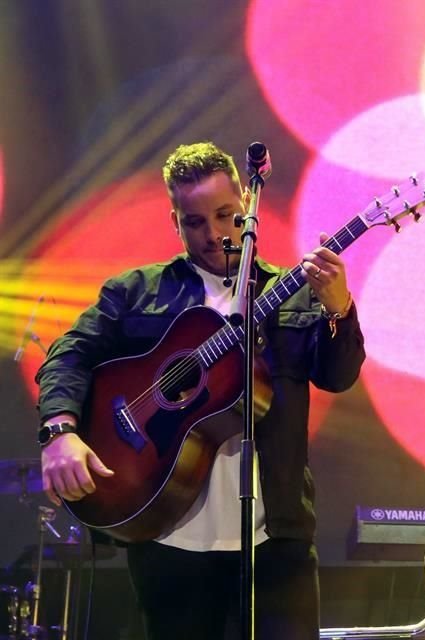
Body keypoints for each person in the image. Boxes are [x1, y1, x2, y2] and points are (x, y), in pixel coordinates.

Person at [35, 141, 365, 639]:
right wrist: (60, 430)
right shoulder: (136, 292)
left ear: (245, 208)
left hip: (275, 542)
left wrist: (339, 308)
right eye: (194, 222)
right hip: (167, 536)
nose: (212, 233)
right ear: (175, 221)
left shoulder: (293, 293)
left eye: (224, 215)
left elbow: (337, 375)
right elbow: (70, 354)